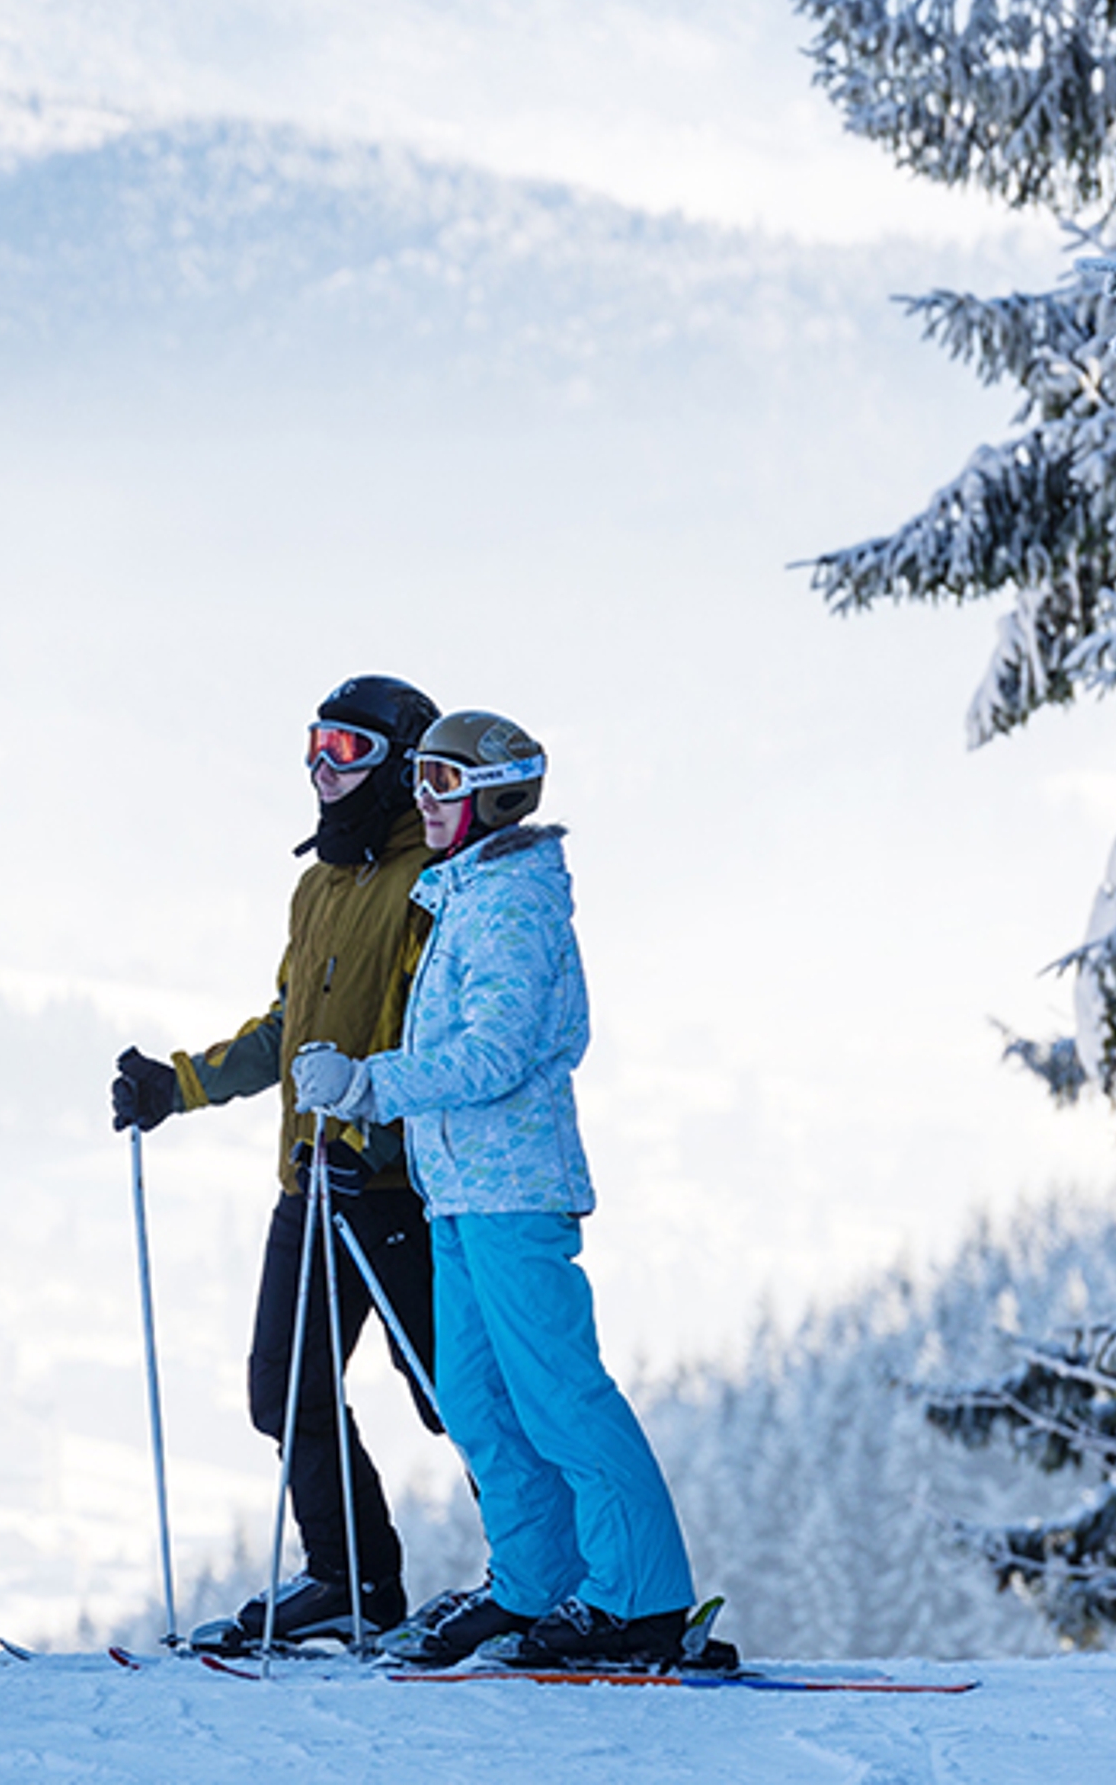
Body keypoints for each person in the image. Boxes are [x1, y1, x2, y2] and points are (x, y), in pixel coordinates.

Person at [289, 709, 706, 1670]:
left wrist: (369, 1083)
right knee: (477, 1399)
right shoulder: (464, 894)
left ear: (496, 794)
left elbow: (497, 1051)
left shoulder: (514, 900)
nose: (424, 802)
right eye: (421, 782)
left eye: (443, 784)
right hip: (455, 1189)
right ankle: (536, 1581)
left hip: (515, 1186)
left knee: (557, 1391)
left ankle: (640, 1598)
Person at [109, 673, 443, 1651]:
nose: (320, 769)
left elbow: (436, 1043)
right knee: (283, 1394)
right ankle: (353, 1584)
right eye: (313, 745)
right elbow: (288, 1032)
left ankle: (541, 1579)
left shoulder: (432, 882)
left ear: (399, 766)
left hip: (397, 1195)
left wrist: (379, 1141)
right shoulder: (319, 885)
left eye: (347, 751)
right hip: (311, 1187)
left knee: (452, 1398)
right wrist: (180, 1086)